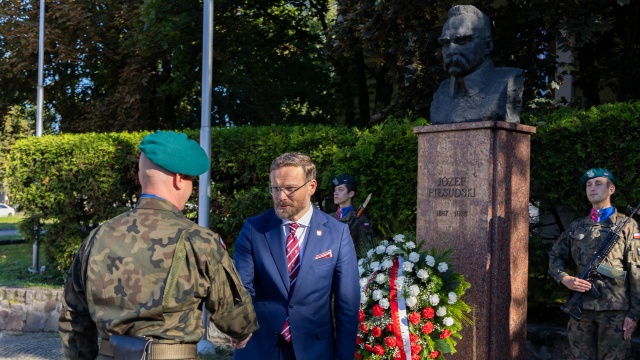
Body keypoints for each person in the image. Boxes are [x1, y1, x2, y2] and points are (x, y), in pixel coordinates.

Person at [58, 130, 258, 359]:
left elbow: (74, 317)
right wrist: (242, 333)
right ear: (178, 179)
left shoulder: (98, 237)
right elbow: (237, 320)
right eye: (191, 180)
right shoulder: (199, 240)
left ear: (142, 177)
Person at [232, 152, 360, 360]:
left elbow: (348, 305)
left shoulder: (337, 234)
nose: (281, 196)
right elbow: (240, 289)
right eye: (275, 188)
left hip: (315, 350)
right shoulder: (254, 230)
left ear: (311, 186)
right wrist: (238, 325)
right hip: (259, 348)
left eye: (290, 189)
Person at [548, 167, 640, 359]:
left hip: (615, 311)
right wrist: (564, 278)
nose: (592, 188)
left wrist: (634, 313)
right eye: (589, 184)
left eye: (598, 183)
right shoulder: (577, 226)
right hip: (581, 309)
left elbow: (636, 270)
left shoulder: (627, 226)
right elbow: (555, 256)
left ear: (611, 189)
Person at [430, 5, 524, 124]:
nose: (451, 50)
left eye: (462, 41)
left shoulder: (507, 82)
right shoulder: (442, 92)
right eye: (445, 43)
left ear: (487, 46)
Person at [331, 174, 375, 257]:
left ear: (351, 193)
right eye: (335, 190)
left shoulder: (360, 219)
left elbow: (366, 251)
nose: (335, 193)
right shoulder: (329, 218)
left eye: (340, 190)